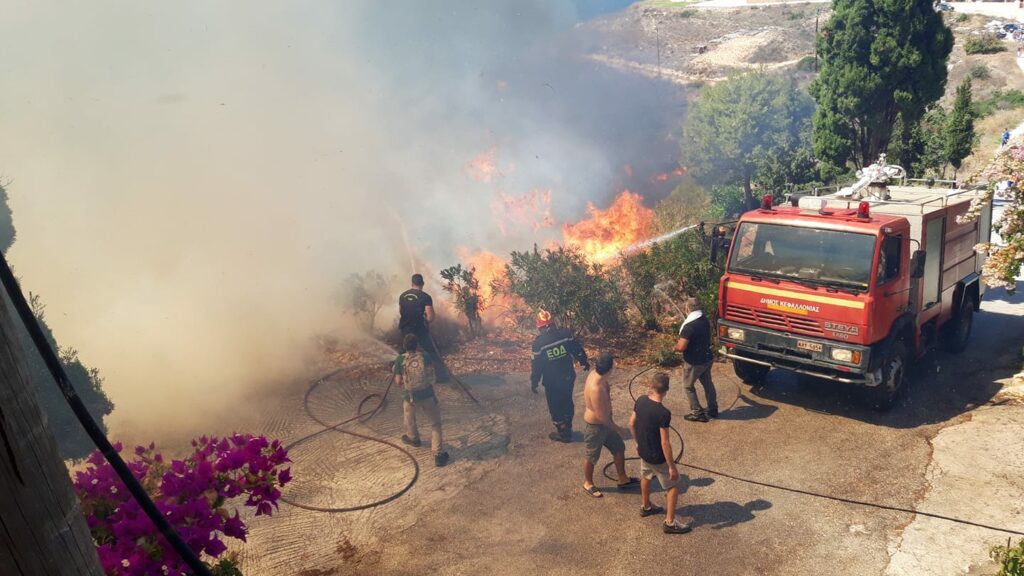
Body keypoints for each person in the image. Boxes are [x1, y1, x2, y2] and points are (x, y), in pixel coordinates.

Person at [629, 372, 692, 534]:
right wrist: (671, 466)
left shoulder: (641, 400)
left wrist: (637, 443)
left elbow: (631, 423)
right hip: (658, 457)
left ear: (651, 386)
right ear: (666, 390)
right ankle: (670, 523)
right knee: (674, 485)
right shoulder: (663, 413)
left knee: (646, 476)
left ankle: (646, 506)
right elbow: (665, 443)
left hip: (643, 451)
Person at [581, 352, 639, 498]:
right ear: (610, 369)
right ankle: (588, 483)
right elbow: (601, 417)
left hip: (607, 424)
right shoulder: (596, 388)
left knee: (619, 448)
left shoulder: (597, 374)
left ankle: (623, 479)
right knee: (592, 456)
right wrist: (618, 429)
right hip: (596, 427)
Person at [530, 309, 589, 442]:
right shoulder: (565, 334)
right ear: (553, 324)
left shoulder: (538, 343)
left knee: (555, 405)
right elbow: (576, 349)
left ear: (540, 327)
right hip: (568, 377)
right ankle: (567, 425)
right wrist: (583, 361)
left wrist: (534, 381)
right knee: (567, 400)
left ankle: (563, 432)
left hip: (552, 381)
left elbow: (536, 366)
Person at [394, 333, 449, 467]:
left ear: (404, 346)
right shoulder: (425, 356)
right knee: (435, 424)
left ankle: (413, 438)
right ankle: (438, 454)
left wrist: (396, 371)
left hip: (411, 396)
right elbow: (431, 375)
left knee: (409, 418)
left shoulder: (400, 359)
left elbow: (398, 382)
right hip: (428, 395)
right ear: (417, 345)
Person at [398, 273, 449, 383]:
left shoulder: (402, 296)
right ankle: (441, 377)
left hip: (405, 329)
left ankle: (402, 377)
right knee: (433, 351)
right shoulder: (425, 297)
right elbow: (430, 317)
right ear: (422, 284)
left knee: (405, 353)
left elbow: (401, 311)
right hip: (420, 330)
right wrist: (426, 319)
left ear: (412, 283)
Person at [674, 297, 718, 422]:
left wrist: (675, 347)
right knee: (708, 384)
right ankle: (713, 409)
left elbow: (681, 347)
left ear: (688, 308)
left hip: (694, 362)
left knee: (688, 386)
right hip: (707, 358)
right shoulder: (704, 320)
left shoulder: (689, 327)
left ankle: (697, 412)